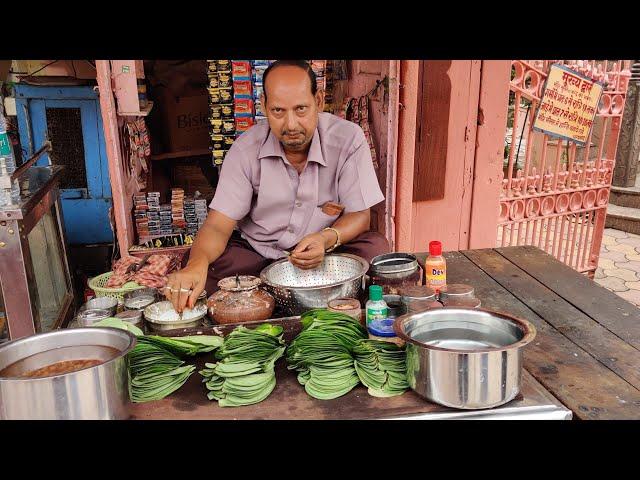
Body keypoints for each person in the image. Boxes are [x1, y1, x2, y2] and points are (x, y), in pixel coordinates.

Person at [166, 60, 389, 312]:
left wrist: (326, 238)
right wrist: (197, 262)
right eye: (278, 111)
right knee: (201, 267)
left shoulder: (348, 140)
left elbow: (360, 215)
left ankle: (271, 298)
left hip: (326, 255)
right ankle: (275, 293)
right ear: (263, 106)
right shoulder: (245, 150)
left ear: (318, 99)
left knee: (375, 251)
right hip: (257, 255)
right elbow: (218, 225)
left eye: (301, 109)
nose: (291, 124)